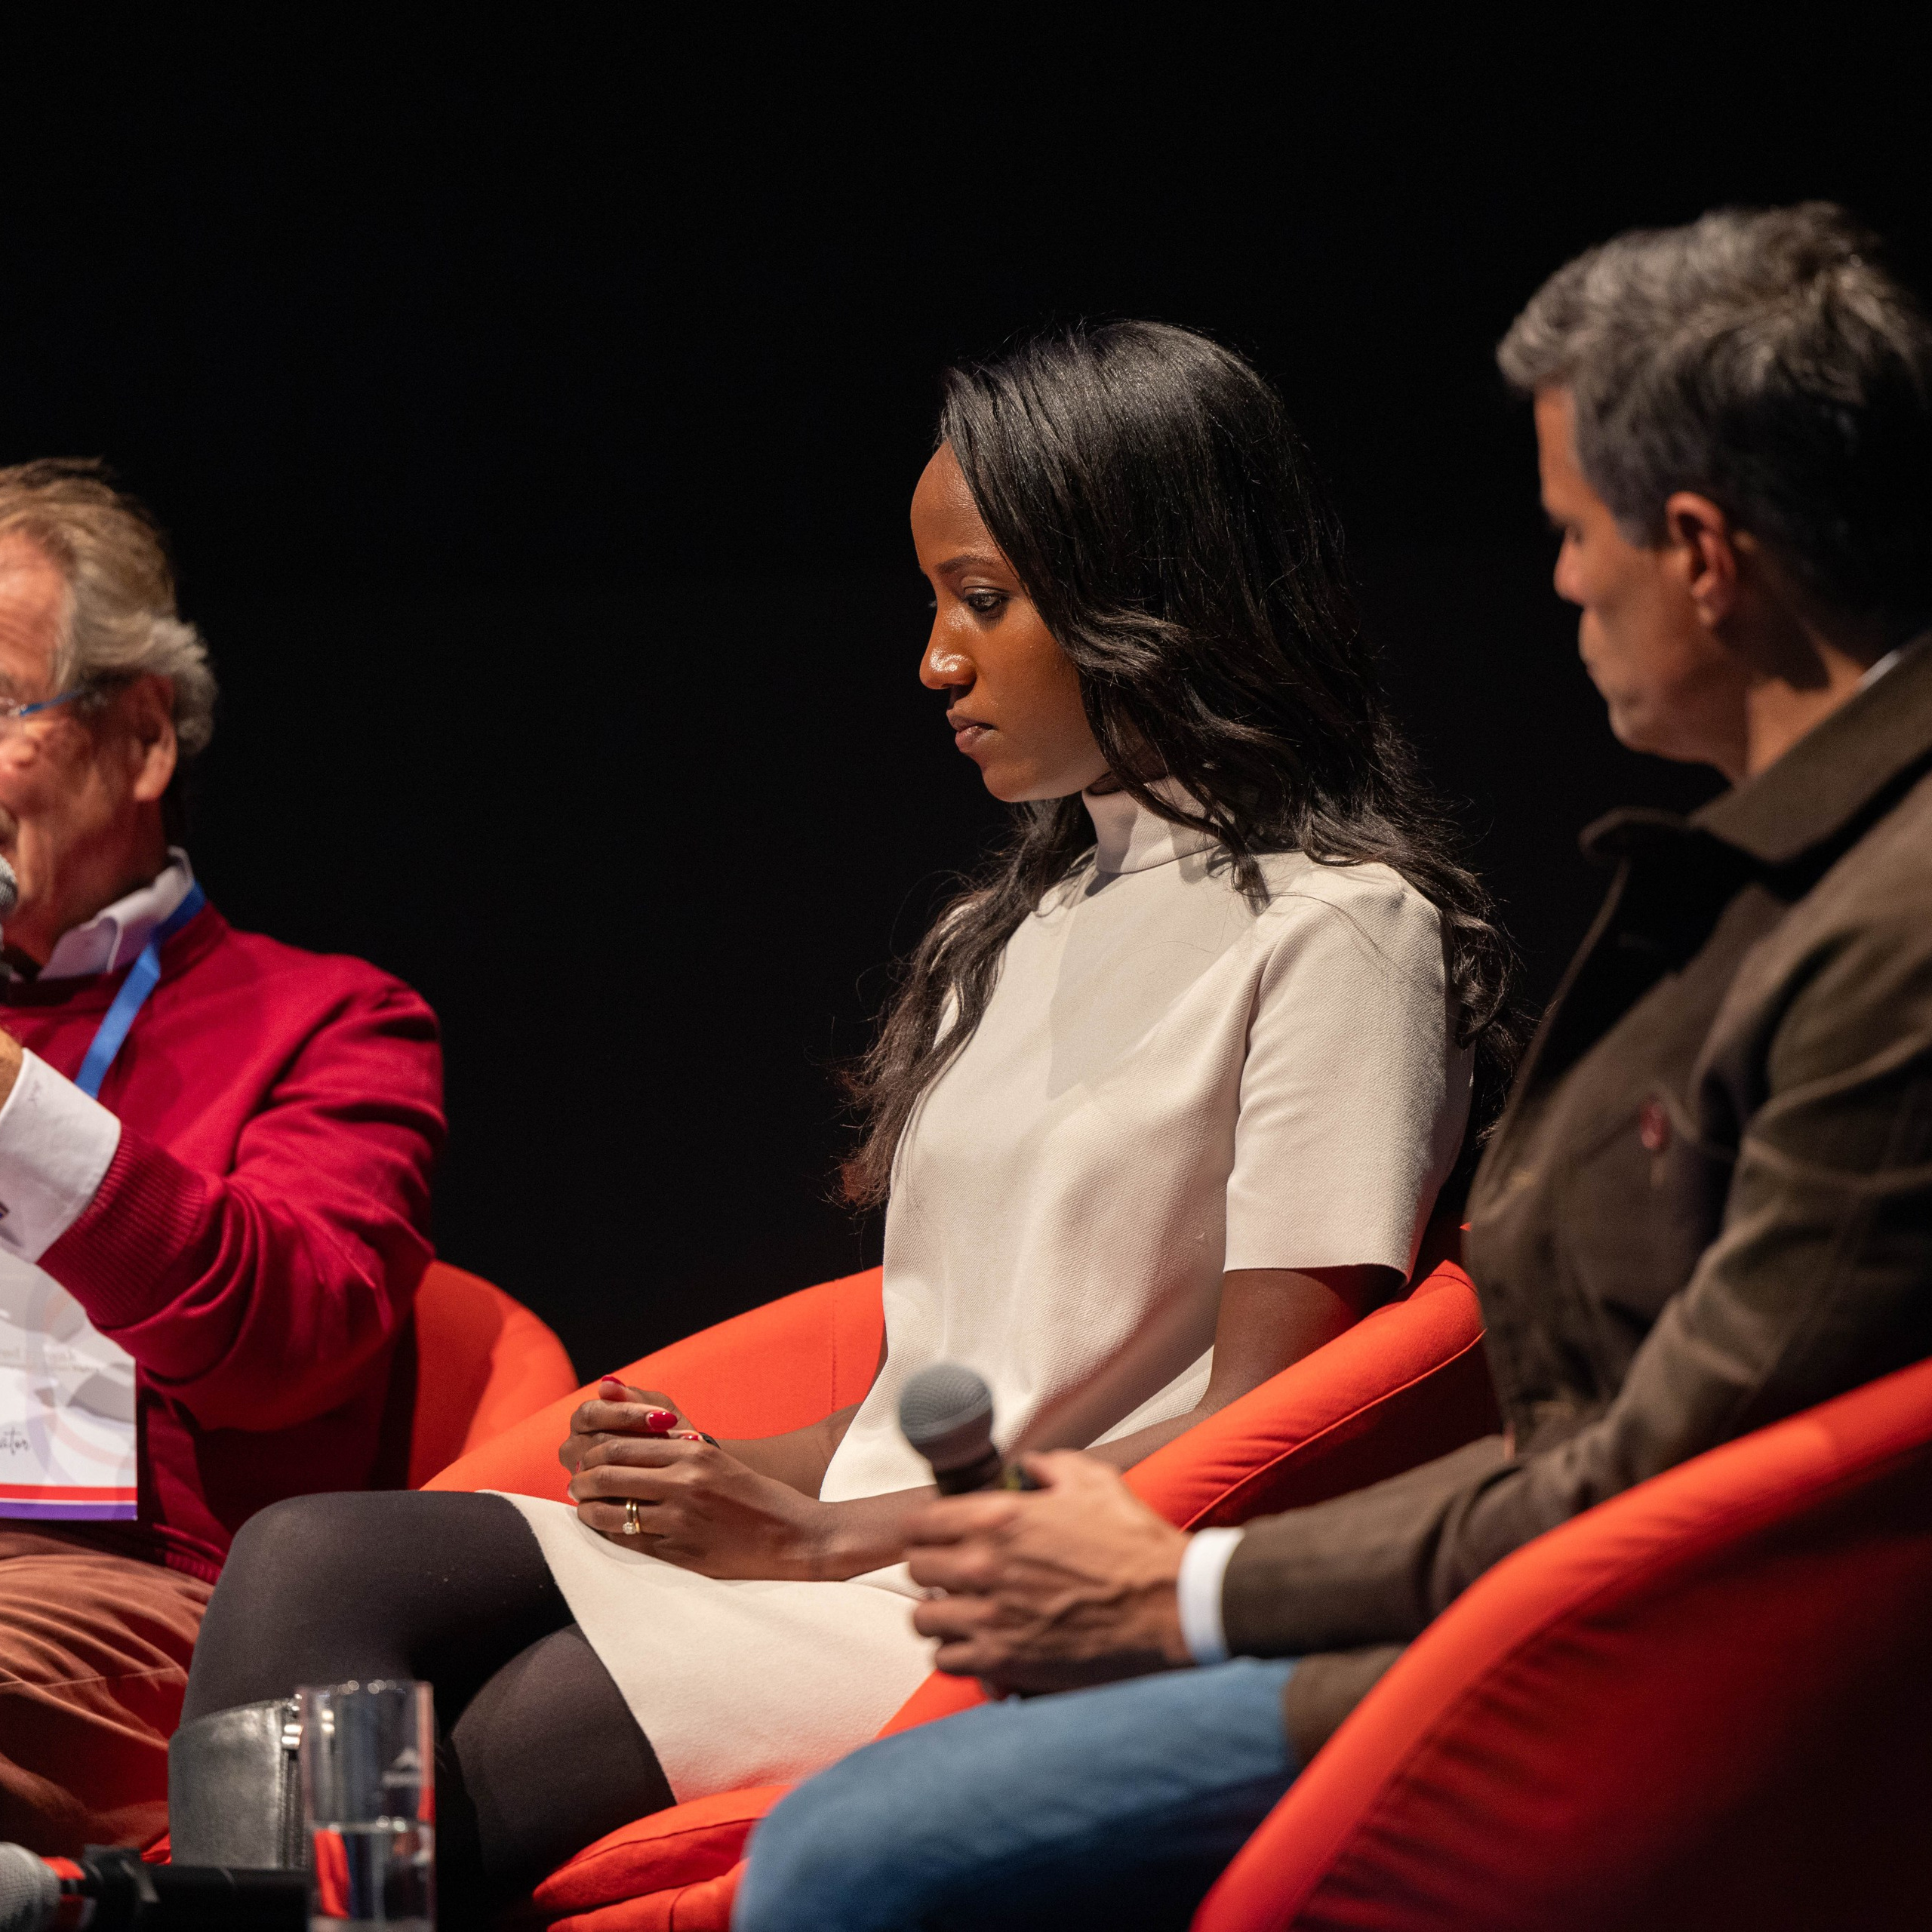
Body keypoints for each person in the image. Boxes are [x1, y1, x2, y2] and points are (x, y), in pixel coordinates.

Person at [171, 321, 1509, 1915]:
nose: (933, 661)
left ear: (1146, 586)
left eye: (983, 599)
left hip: (981, 1593)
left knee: (439, 1777)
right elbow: (943, 1373)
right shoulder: (1021, 921)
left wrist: (822, 1535)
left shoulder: (1338, 928)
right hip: (855, 1545)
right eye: (935, 599)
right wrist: (714, 1469)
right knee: (309, 1557)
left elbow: (1270, 1427)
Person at [733, 202, 1932, 1931]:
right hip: (1555, 1590)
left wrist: (1192, 1585)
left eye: (1574, 531)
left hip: (1654, 1657)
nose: (1558, 581)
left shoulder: (1882, 925)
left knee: (855, 1851)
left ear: (1698, 551)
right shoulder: (1787, 878)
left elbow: (1673, 1459)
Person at [0, 463, 445, 1855]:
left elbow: (290, 1341)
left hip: (140, 1601)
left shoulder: (333, 1019)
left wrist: (13, 1099)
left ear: (139, 739)